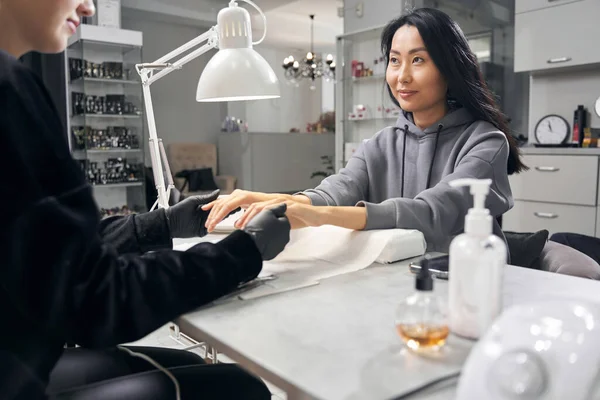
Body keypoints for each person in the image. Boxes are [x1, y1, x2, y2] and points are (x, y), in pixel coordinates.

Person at [0, 1, 291, 399]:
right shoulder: (9, 90)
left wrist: (163, 224)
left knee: (199, 367)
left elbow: (53, 255)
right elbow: (100, 301)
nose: (87, 7)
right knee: (241, 386)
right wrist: (242, 252)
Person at [203, 7, 527, 253]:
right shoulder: (382, 143)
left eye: (418, 61)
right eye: (395, 60)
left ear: (450, 66)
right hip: (396, 283)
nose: (402, 76)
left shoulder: (485, 142)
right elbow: (336, 191)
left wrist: (322, 216)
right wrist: (267, 199)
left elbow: (433, 212)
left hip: (467, 288)